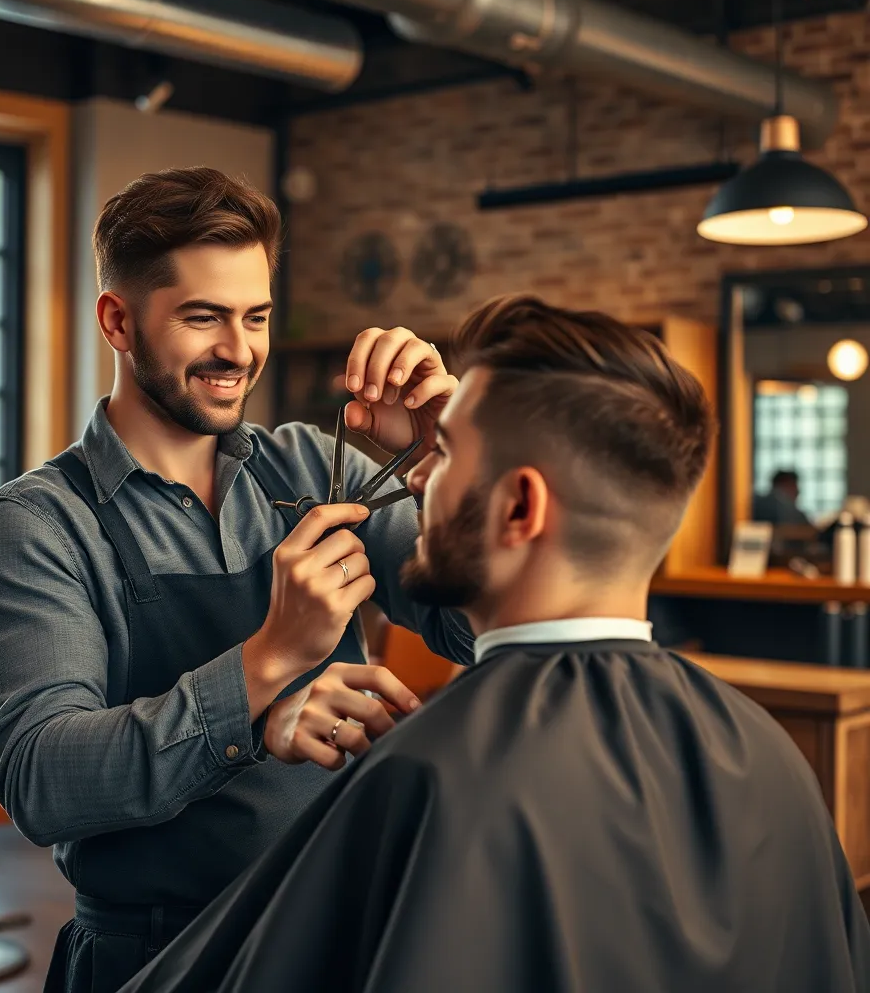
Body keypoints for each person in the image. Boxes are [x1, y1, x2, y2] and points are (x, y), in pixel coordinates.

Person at [118, 296, 870, 993]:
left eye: (442, 455)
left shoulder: (426, 779)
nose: (416, 482)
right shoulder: (776, 764)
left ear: (518, 505)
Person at [0, 167, 474, 993]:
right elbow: (41, 781)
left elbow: (481, 627)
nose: (238, 351)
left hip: (332, 937)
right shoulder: (38, 523)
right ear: (118, 320)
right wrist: (266, 664)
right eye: (203, 318)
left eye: (256, 317)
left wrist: (455, 468)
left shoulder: (317, 466)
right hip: (153, 956)